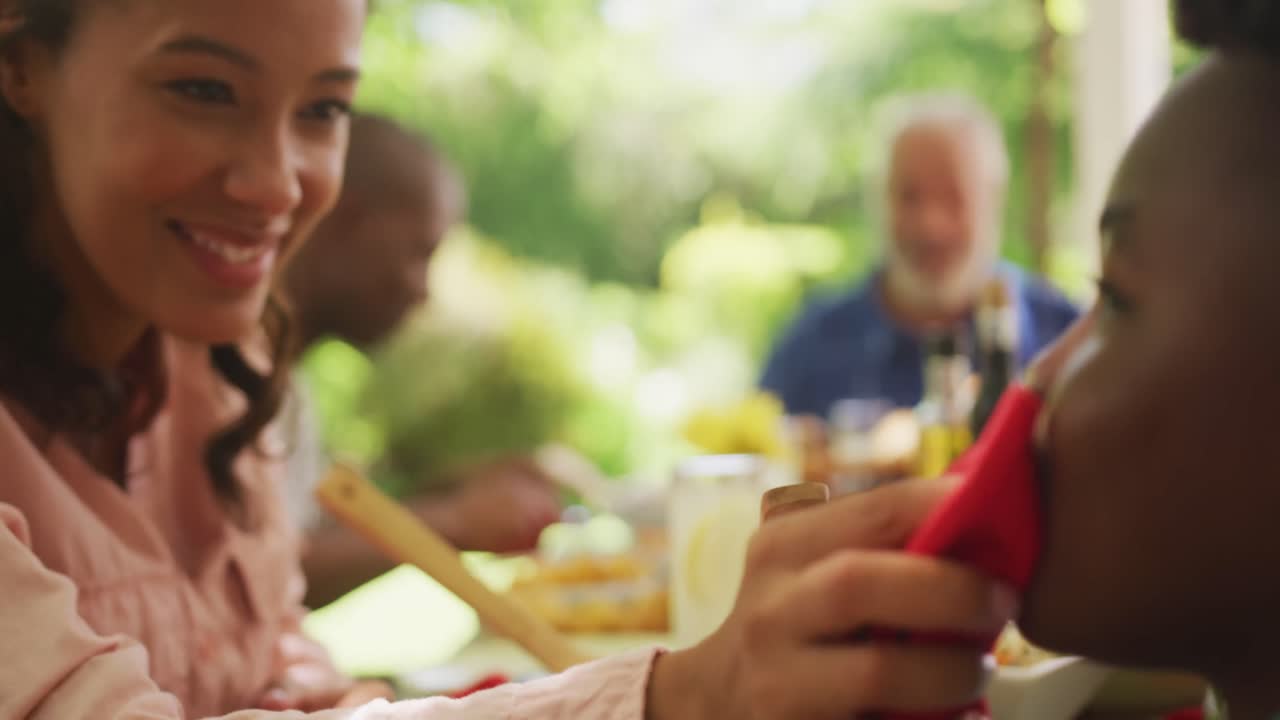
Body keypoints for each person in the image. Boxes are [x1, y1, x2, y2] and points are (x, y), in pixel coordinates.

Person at [6, 0, 1276, 718]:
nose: (281, 182)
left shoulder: (208, 383)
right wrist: (680, 696)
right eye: (200, 90)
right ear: (19, 58)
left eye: (324, 107)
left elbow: (255, 671)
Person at [280, 114, 561, 608]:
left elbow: (301, 527)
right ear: (347, 222)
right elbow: (262, 576)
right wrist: (451, 521)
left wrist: (450, 491)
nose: (422, 292)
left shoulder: (287, 385)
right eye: (418, 253)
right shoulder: (224, 379)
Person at [761, 92, 1079, 417]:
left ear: (993, 200)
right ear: (878, 201)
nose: (931, 227)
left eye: (954, 197)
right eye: (909, 197)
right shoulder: (811, 347)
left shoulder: (1063, 335)